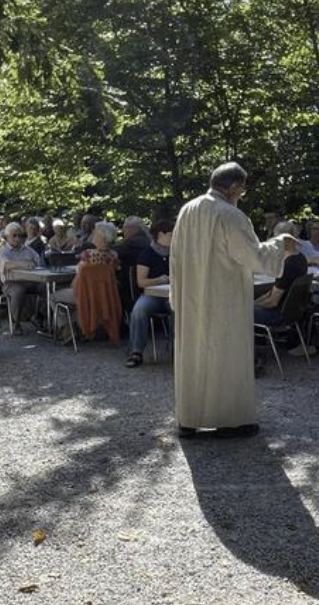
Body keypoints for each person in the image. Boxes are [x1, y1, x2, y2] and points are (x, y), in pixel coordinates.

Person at [170, 163, 298, 437]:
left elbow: (175, 258)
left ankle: (189, 419)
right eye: (242, 190)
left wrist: (177, 295)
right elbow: (252, 256)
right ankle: (231, 421)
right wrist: (281, 243)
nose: (241, 195)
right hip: (223, 299)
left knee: (194, 356)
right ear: (233, 188)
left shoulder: (187, 210)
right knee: (226, 357)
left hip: (192, 298)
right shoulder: (229, 214)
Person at [54, 221, 121, 341]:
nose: (93, 234)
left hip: (85, 294)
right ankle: (78, 327)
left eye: (95, 233)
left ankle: (67, 328)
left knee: (53, 297)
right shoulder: (114, 255)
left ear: (100, 236)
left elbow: (79, 272)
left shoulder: (87, 254)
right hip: (105, 296)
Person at [125, 219, 174, 367]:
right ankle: (136, 351)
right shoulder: (147, 254)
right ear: (161, 235)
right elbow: (141, 282)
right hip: (152, 295)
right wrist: (160, 280)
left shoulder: (177, 253)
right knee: (139, 310)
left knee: (178, 309)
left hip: (172, 295)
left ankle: (176, 348)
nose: (174, 237)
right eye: (171, 234)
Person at [253, 220, 308, 327]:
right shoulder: (301, 258)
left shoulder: (288, 265)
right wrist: (255, 302)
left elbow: (272, 302)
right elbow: (273, 292)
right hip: (294, 313)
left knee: (236, 312)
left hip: (278, 315)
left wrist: (250, 306)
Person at [0, 221, 42, 328]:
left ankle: (40, 316)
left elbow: (38, 262)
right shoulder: (2, 252)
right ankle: (16, 322)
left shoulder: (28, 250)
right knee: (18, 290)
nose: (17, 238)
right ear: (7, 237)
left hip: (30, 280)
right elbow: (6, 265)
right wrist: (24, 264)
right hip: (10, 283)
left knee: (46, 287)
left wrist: (32, 264)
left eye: (19, 236)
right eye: (14, 235)